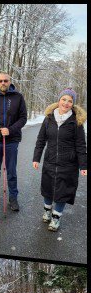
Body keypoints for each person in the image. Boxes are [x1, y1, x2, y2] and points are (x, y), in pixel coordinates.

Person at [33, 88, 88, 231]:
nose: (66, 103)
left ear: (73, 104)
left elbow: (81, 145)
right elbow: (41, 140)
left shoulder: (76, 122)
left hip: (68, 164)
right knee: (47, 188)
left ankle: (56, 218)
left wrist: (83, 166)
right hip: (50, 160)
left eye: (70, 101)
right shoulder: (49, 118)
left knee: (63, 191)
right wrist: (36, 158)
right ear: (59, 100)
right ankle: (47, 210)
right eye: (64, 99)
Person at [0, 72, 28, 211]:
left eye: (6, 81)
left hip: (12, 140)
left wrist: (11, 129)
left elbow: (23, 118)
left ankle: (13, 197)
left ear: (10, 82)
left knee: (11, 169)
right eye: (0, 81)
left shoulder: (18, 97)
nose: (3, 83)